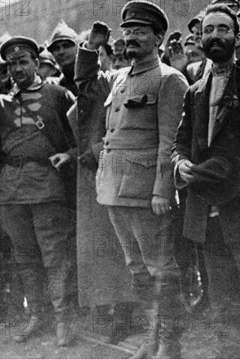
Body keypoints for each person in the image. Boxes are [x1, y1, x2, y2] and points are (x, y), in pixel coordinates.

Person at [75, 0, 188, 359]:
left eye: (140, 32)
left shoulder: (170, 79)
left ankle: (170, 342)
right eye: (127, 32)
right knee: (136, 268)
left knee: (160, 268)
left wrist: (162, 190)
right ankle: (153, 334)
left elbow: (169, 140)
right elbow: (86, 85)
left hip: (145, 192)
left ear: (158, 37)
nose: (132, 38)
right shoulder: (119, 77)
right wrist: (91, 48)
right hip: (113, 190)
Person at [172, 4, 240, 359]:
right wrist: (182, 165)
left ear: (237, 38)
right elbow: (180, 142)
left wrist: (231, 170)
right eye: (207, 30)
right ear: (199, 39)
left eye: (223, 29)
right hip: (206, 212)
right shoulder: (194, 91)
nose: (214, 36)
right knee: (223, 301)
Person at [0, 36, 77, 347]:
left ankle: (63, 318)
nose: (18, 68)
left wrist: (72, 155)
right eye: (12, 64)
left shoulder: (58, 94)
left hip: (47, 185)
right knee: (24, 257)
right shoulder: (0, 102)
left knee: (54, 255)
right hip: (11, 189)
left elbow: (82, 131)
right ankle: (37, 315)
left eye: (23, 62)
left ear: (37, 63)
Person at [69, 21, 136, 344]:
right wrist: (90, 46)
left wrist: (96, 150)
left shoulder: (149, 78)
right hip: (97, 176)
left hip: (124, 171)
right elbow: (84, 81)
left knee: (124, 244)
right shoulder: (107, 81)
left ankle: (126, 313)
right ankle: (109, 309)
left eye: (126, 50)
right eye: (116, 51)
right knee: (101, 245)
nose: (122, 56)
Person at [47, 20, 79, 95]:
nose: (61, 52)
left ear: (77, 47)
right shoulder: (55, 86)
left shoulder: (92, 78)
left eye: (66, 46)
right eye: (56, 48)